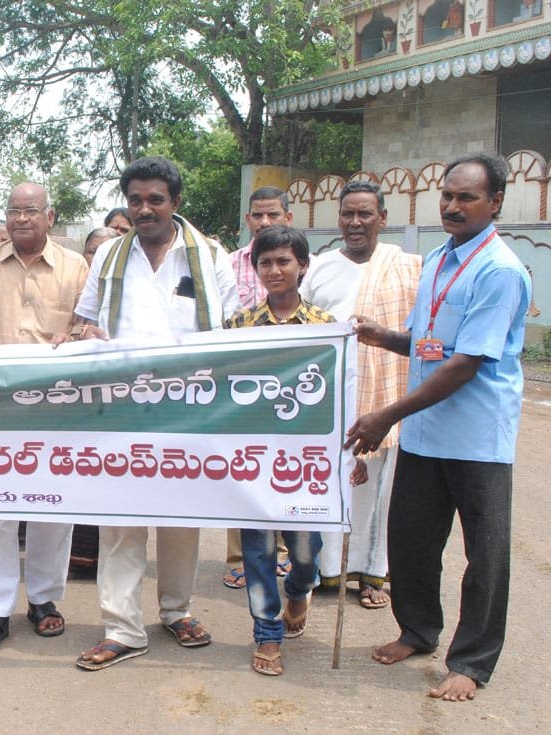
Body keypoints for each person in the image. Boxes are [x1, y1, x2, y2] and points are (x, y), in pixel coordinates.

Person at [346, 153, 530, 702]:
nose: (452, 205)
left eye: (466, 197)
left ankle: (471, 662)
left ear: (495, 203)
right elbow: (431, 346)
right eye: (447, 195)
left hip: (476, 439)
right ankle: (418, 632)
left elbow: (464, 363)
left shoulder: (499, 272)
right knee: (411, 542)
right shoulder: (437, 263)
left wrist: (386, 415)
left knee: (485, 555)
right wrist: (383, 337)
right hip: (426, 435)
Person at [71, 156, 238, 670]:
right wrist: (87, 335)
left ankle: (176, 610)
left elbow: (231, 332)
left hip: (191, 408)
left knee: (182, 517)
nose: (145, 209)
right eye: (136, 200)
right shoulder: (109, 258)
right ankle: (122, 628)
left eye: (155, 200)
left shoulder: (211, 257)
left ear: (176, 202)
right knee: (119, 521)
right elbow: (84, 322)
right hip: (122, 408)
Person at [0, 182, 89, 649]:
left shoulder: (76, 266)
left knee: (55, 504)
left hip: (59, 407)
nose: (21, 219)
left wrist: (82, 335)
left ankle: (45, 600)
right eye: (13, 211)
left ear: (50, 216)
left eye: (31, 211)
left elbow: (90, 326)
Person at [221, 226, 337, 676]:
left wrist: (350, 456)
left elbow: (339, 398)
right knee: (258, 552)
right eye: (265, 262)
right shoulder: (238, 328)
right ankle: (267, 636)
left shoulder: (328, 328)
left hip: (307, 464)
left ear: (302, 266)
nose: (274, 270)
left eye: (283, 261)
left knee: (307, 557)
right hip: (254, 461)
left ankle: (298, 592)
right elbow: (222, 391)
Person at [301, 180, 421, 608]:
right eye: (348, 213)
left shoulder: (408, 267)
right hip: (332, 397)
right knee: (331, 484)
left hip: (386, 395)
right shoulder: (320, 267)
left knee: (381, 493)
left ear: (382, 219)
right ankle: (326, 571)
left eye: (365, 213)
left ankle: (373, 574)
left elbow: (420, 330)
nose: (355, 222)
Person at [221, 186, 294, 591]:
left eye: (272, 215)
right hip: (245, 387)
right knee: (243, 470)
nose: (264, 222)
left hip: (293, 388)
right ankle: (239, 558)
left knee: (287, 468)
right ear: (247, 220)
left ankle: (284, 553)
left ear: (288, 217)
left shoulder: (303, 263)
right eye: (257, 216)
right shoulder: (230, 264)